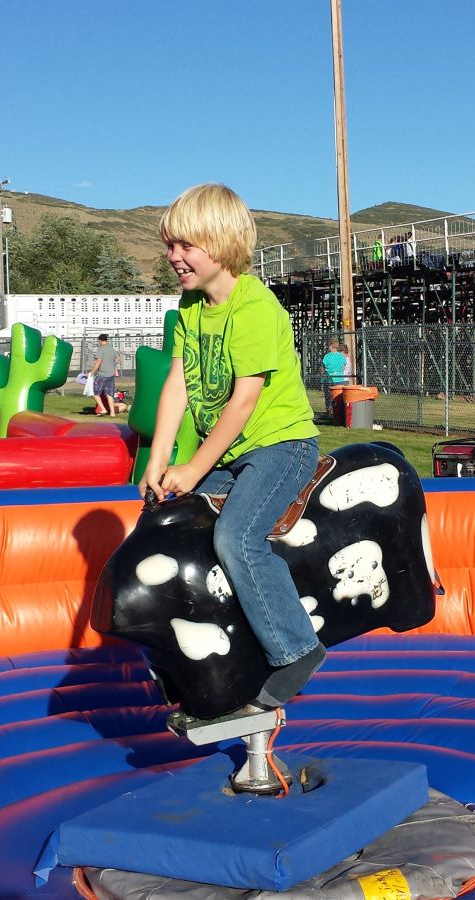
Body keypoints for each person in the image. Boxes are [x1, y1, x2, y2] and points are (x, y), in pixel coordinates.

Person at [143, 183, 325, 711]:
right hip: (226, 452)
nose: (174, 257)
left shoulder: (255, 308)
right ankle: (196, 653)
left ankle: (295, 649)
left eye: (185, 246)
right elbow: (177, 383)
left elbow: (244, 403)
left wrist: (195, 467)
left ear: (220, 244)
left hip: (279, 444)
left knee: (238, 539)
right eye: (170, 245)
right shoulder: (190, 306)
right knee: (173, 522)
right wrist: (159, 460)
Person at [85, 334, 119, 416]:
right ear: (106, 340)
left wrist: (92, 372)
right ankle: (112, 413)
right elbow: (118, 360)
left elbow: (98, 362)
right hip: (111, 374)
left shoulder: (100, 349)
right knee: (109, 394)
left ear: (99, 340)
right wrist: (111, 364)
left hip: (102, 374)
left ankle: (103, 409)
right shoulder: (113, 350)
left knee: (94, 392)